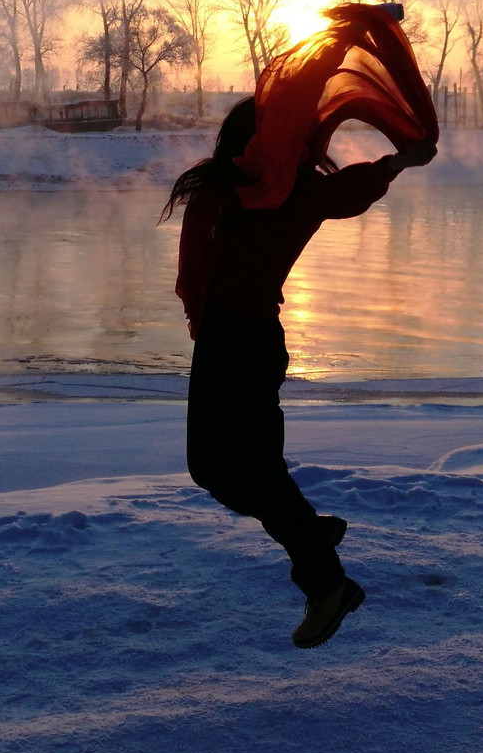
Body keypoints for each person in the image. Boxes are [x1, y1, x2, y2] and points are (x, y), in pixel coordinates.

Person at [165, 96, 435, 648]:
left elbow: (351, 190)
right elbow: (196, 269)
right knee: (210, 468)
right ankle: (306, 529)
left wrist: (399, 162)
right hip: (216, 339)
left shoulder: (293, 191)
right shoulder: (217, 186)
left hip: (250, 340)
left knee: (259, 472)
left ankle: (328, 585)